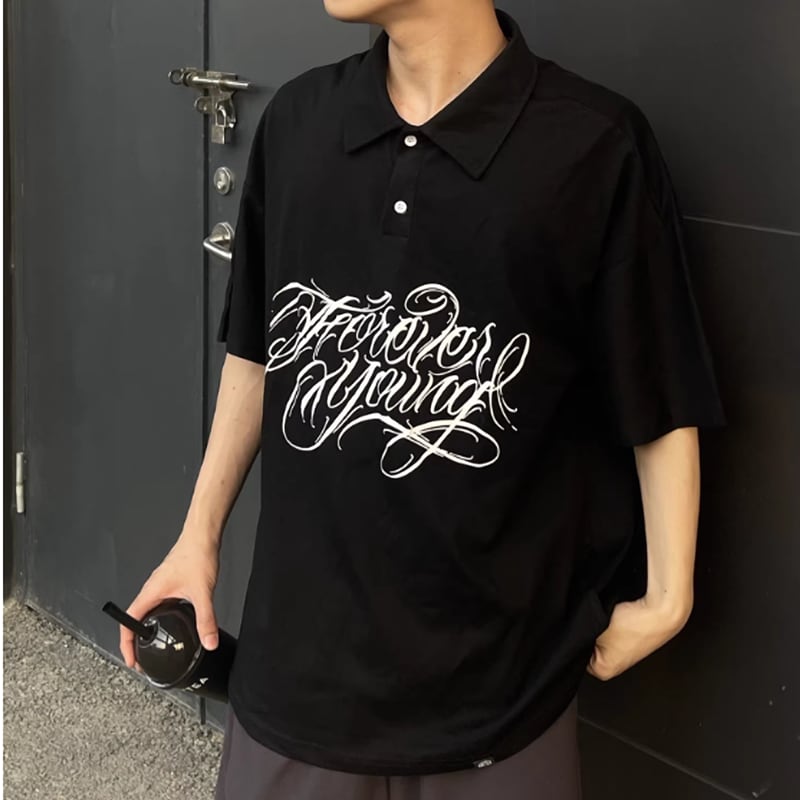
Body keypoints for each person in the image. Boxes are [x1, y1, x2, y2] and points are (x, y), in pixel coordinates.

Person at [119, 2, 727, 798]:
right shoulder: (299, 121)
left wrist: (670, 594)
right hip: (299, 683)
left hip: (502, 701)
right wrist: (196, 540)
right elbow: (257, 353)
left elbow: (657, 385)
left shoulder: (594, 144)